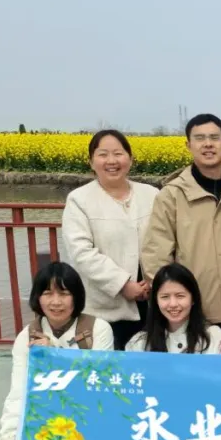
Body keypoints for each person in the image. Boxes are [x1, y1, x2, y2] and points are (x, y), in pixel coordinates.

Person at [0, 262, 113, 440]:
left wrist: (55, 356)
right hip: (46, 424)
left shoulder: (98, 329)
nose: (56, 302)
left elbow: (100, 385)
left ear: (76, 297)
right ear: (37, 298)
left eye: (64, 293)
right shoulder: (26, 337)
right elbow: (18, 394)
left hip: (89, 422)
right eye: (48, 293)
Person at [142, 113, 221, 329]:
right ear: (188, 145)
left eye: (214, 138)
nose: (208, 144)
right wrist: (172, 303)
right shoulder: (172, 195)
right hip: (194, 312)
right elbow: (156, 255)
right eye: (200, 138)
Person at [61, 129, 159, 349]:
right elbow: (82, 253)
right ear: (91, 162)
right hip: (105, 306)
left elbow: (166, 239)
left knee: (148, 363)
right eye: (103, 154)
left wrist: (155, 279)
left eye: (118, 153)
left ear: (130, 159)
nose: (112, 161)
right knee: (109, 364)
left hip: (153, 301)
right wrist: (123, 284)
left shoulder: (152, 194)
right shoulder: (79, 200)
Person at [125, 263, 221, 354]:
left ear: (193, 299)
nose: (173, 304)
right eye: (165, 297)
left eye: (180, 296)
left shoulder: (215, 337)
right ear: (156, 301)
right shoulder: (139, 344)